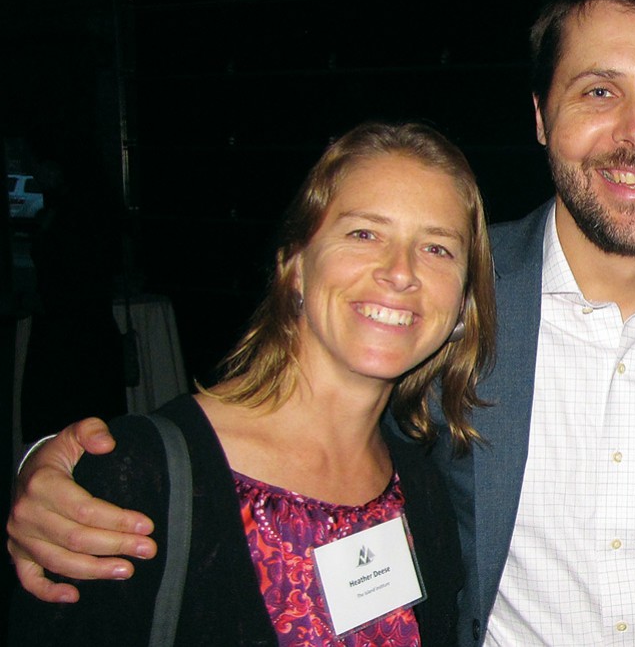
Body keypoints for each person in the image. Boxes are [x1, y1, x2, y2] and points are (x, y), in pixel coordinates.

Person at [5, 0, 635, 647]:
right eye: (599, 92)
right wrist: (69, 465)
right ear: (542, 118)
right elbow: (294, 415)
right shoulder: (449, 286)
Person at [7, 121, 496, 646]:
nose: (401, 272)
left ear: (463, 302)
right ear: (295, 266)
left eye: (438, 249)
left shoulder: (422, 489)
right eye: (364, 233)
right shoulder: (137, 482)